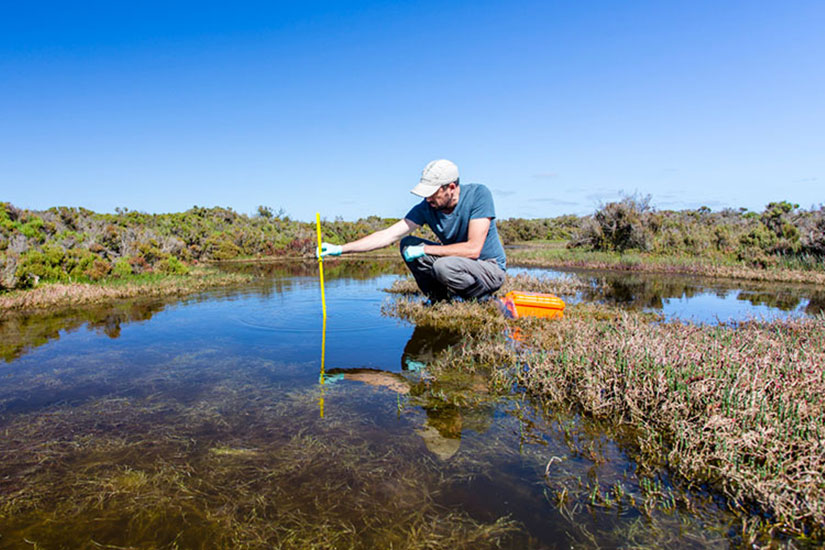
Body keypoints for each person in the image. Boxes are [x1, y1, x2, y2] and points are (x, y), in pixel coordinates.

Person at [318, 159, 506, 302]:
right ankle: (439, 300)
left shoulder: (479, 195)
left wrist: (426, 250)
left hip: (488, 267)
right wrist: (341, 248)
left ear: (451, 187)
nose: (427, 199)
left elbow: (473, 249)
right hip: (457, 263)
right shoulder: (426, 207)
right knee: (408, 244)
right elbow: (387, 235)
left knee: (443, 266)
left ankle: (482, 300)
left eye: (432, 193)